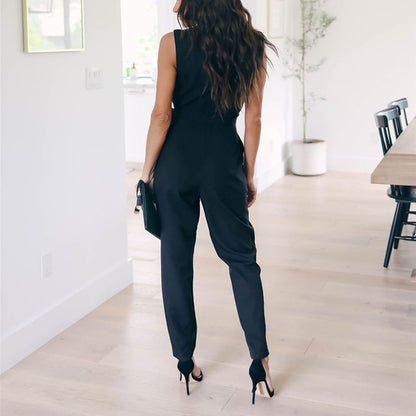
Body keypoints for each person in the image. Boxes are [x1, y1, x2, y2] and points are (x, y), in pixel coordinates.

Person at [140, 0, 277, 404]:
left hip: (176, 163)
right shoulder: (253, 46)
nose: (174, 3)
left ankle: (185, 361)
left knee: (175, 261)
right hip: (223, 163)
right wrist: (247, 173)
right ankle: (260, 364)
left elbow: (161, 115)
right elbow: (253, 118)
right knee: (242, 260)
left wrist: (146, 173)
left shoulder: (172, 44)